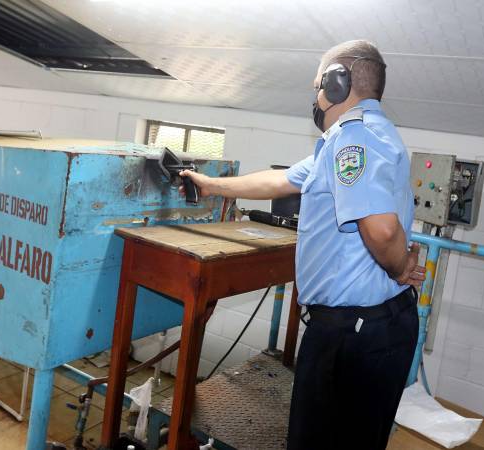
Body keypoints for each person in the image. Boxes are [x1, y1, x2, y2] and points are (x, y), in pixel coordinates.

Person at [180, 40, 425, 450]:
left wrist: (398, 266)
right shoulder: (347, 141)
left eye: (317, 86)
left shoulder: (354, 140)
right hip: (363, 328)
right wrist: (211, 187)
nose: (314, 97)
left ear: (337, 83)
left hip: (354, 332)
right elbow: (281, 181)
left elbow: (381, 231)